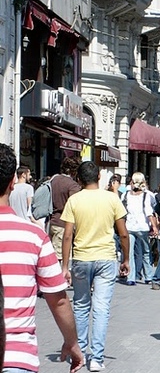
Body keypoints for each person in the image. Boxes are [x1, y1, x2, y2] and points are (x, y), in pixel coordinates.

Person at [0, 143, 84, 373]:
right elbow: (58, 299)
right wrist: (72, 342)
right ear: (12, 183)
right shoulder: (33, 236)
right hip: (16, 357)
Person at [61, 161, 131, 372]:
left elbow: (66, 236)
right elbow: (123, 233)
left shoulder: (74, 200)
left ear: (79, 179)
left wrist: (65, 266)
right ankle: (97, 358)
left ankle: (79, 353)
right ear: (99, 178)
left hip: (81, 258)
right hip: (106, 259)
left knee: (81, 307)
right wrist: (126, 259)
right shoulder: (111, 198)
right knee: (101, 309)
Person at [121, 172, 159, 285]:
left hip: (129, 226)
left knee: (130, 252)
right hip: (143, 227)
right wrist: (155, 227)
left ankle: (131, 278)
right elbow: (149, 212)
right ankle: (149, 276)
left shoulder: (125, 195)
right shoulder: (147, 195)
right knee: (146, 251)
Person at [49, 156, 82, 263]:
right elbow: (76, 205)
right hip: (64, 224)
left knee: (54, 253)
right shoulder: (72, 185)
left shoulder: (53, 179)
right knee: (62, 257)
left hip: (52, 221)